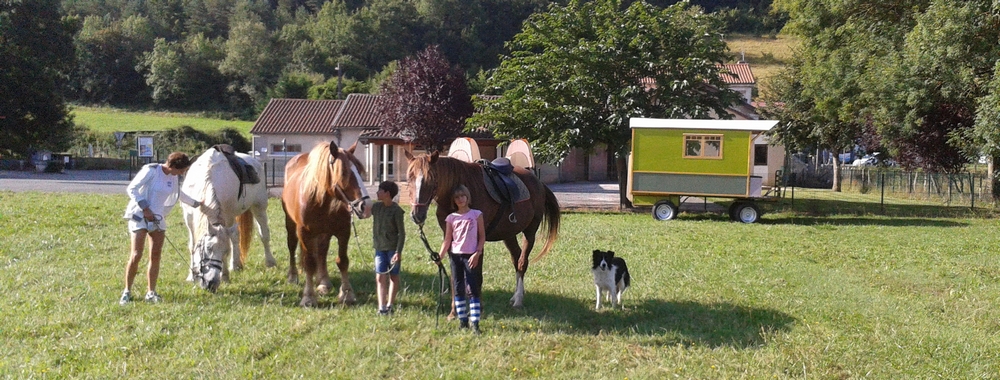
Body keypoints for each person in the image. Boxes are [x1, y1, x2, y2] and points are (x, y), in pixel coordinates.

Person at [119, 152, 193, 305]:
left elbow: (180, 195)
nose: (182, 173)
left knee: (156, 255)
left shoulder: (173, 178)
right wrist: (145, 208)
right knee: (137, 255)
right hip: (140, 216)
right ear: (173, 166)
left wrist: (198, 204)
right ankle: (127, 292)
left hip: (158, 220)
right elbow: (132, 188)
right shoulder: (151, 171)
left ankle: (151, 292)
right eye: (181, 170)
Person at [439, 184, 486, 334]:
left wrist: (477, 253)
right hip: (456, 255)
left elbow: (482, 236)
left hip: (471, 255)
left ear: (468, 198)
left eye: (462, 196)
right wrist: (440, 256)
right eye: (457, 197)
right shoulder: (451, 218)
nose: (460, 200)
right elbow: (447, 239)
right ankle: (463, 320)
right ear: (454, 200)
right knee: (458, 288)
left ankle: (475, 322)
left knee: (472, 288)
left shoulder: (476, 215)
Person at [371, 181, 405, 315]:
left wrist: (398, 251)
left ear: (387, 194)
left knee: (393, 276)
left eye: (380, 190)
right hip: (379, 249)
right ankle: (382, 307)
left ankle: (390, 304)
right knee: (380, 277)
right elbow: (365, 213)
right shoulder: (376, 207)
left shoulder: (396, 211)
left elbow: (401, 233)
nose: (377, 193)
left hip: (392, 249)